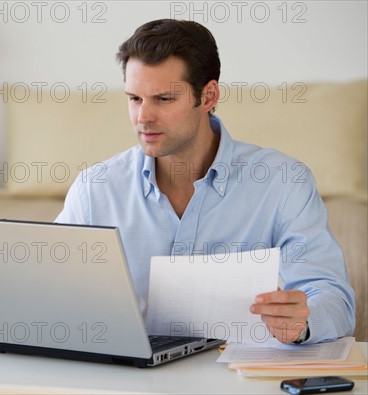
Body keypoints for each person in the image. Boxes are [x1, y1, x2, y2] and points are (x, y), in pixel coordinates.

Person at [55, 19, 355, 344]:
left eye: (164, 99)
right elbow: (49, 286)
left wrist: (303, 322)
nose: (143, 117)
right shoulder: (95, 188)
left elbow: (333, 298)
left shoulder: (283, 183)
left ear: (209, 96)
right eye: (134, 98)